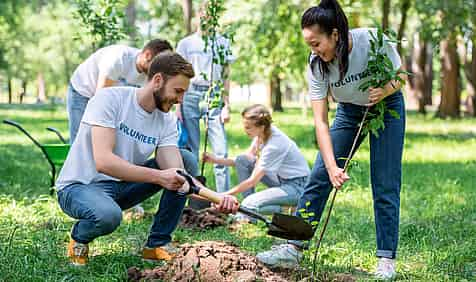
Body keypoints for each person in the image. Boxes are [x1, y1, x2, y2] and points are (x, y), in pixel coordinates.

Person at [257, 1, 406, 279]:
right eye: (309, 45)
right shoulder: (316, 65)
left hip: (387, 108)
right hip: (349, 111)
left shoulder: (373, 41)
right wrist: (331, 166)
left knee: (385, 181)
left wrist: (384, 91)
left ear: (335, 34)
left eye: (316, 43)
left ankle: (386, 259)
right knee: (317, 177)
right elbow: (321, 121)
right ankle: (293, 246)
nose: (313, 51)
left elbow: (401, 75)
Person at [56, 51, 239, 266]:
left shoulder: (166, 120)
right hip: (80, 187)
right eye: (178, 91)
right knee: (108, 216)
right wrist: (159, 177)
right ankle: (79, 238)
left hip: (122, 188)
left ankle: (156, 245)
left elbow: (178, 174)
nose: (180, 100)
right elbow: (103, 161)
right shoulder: (110, 99)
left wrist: (218, 199)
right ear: (158, 80)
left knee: (186, 159)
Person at [203, 104, 310, 220]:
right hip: (281, 180)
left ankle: (246, 214)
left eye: (248, 127)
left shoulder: (274, 144)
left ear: (262, 126)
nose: (245, 130)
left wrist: (224, 195)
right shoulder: (262, 135)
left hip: (298, 187)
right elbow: (245, 159)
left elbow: (252, 181)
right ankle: (271, 209)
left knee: (248, 203)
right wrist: (215, 160)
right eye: (244, 126)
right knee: (242, 160)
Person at [176, 2, 235, 193]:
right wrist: (178, 105)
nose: (205, 19)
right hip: (191, 94)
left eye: (209, 15)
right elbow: (179, 74)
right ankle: (193, 194)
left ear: (215, 17)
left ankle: (223, 198)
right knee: (192, 149)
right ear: (197, 16)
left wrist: (227, 104)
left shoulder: (223, 42)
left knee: (220, 150)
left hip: (214, 94)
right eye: (202, 15)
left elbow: (226, 75)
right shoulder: (186, 44)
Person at [67, 39, 173, 144]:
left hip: (106, 97)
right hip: (82, 91)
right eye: (158, 65)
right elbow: (101, 98)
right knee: (81, 138)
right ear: (148, 55)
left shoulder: (152, 75)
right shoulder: (119, 58)